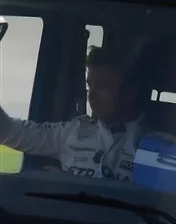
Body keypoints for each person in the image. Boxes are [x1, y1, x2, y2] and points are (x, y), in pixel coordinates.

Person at [0, 44, 158, 180]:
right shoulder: (74, 131)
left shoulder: (158, 147)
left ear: (130, 92)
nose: (92, 95)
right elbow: (11, 131)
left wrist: (70, 184)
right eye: (90, 86)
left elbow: (153, 207)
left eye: (103, 86)